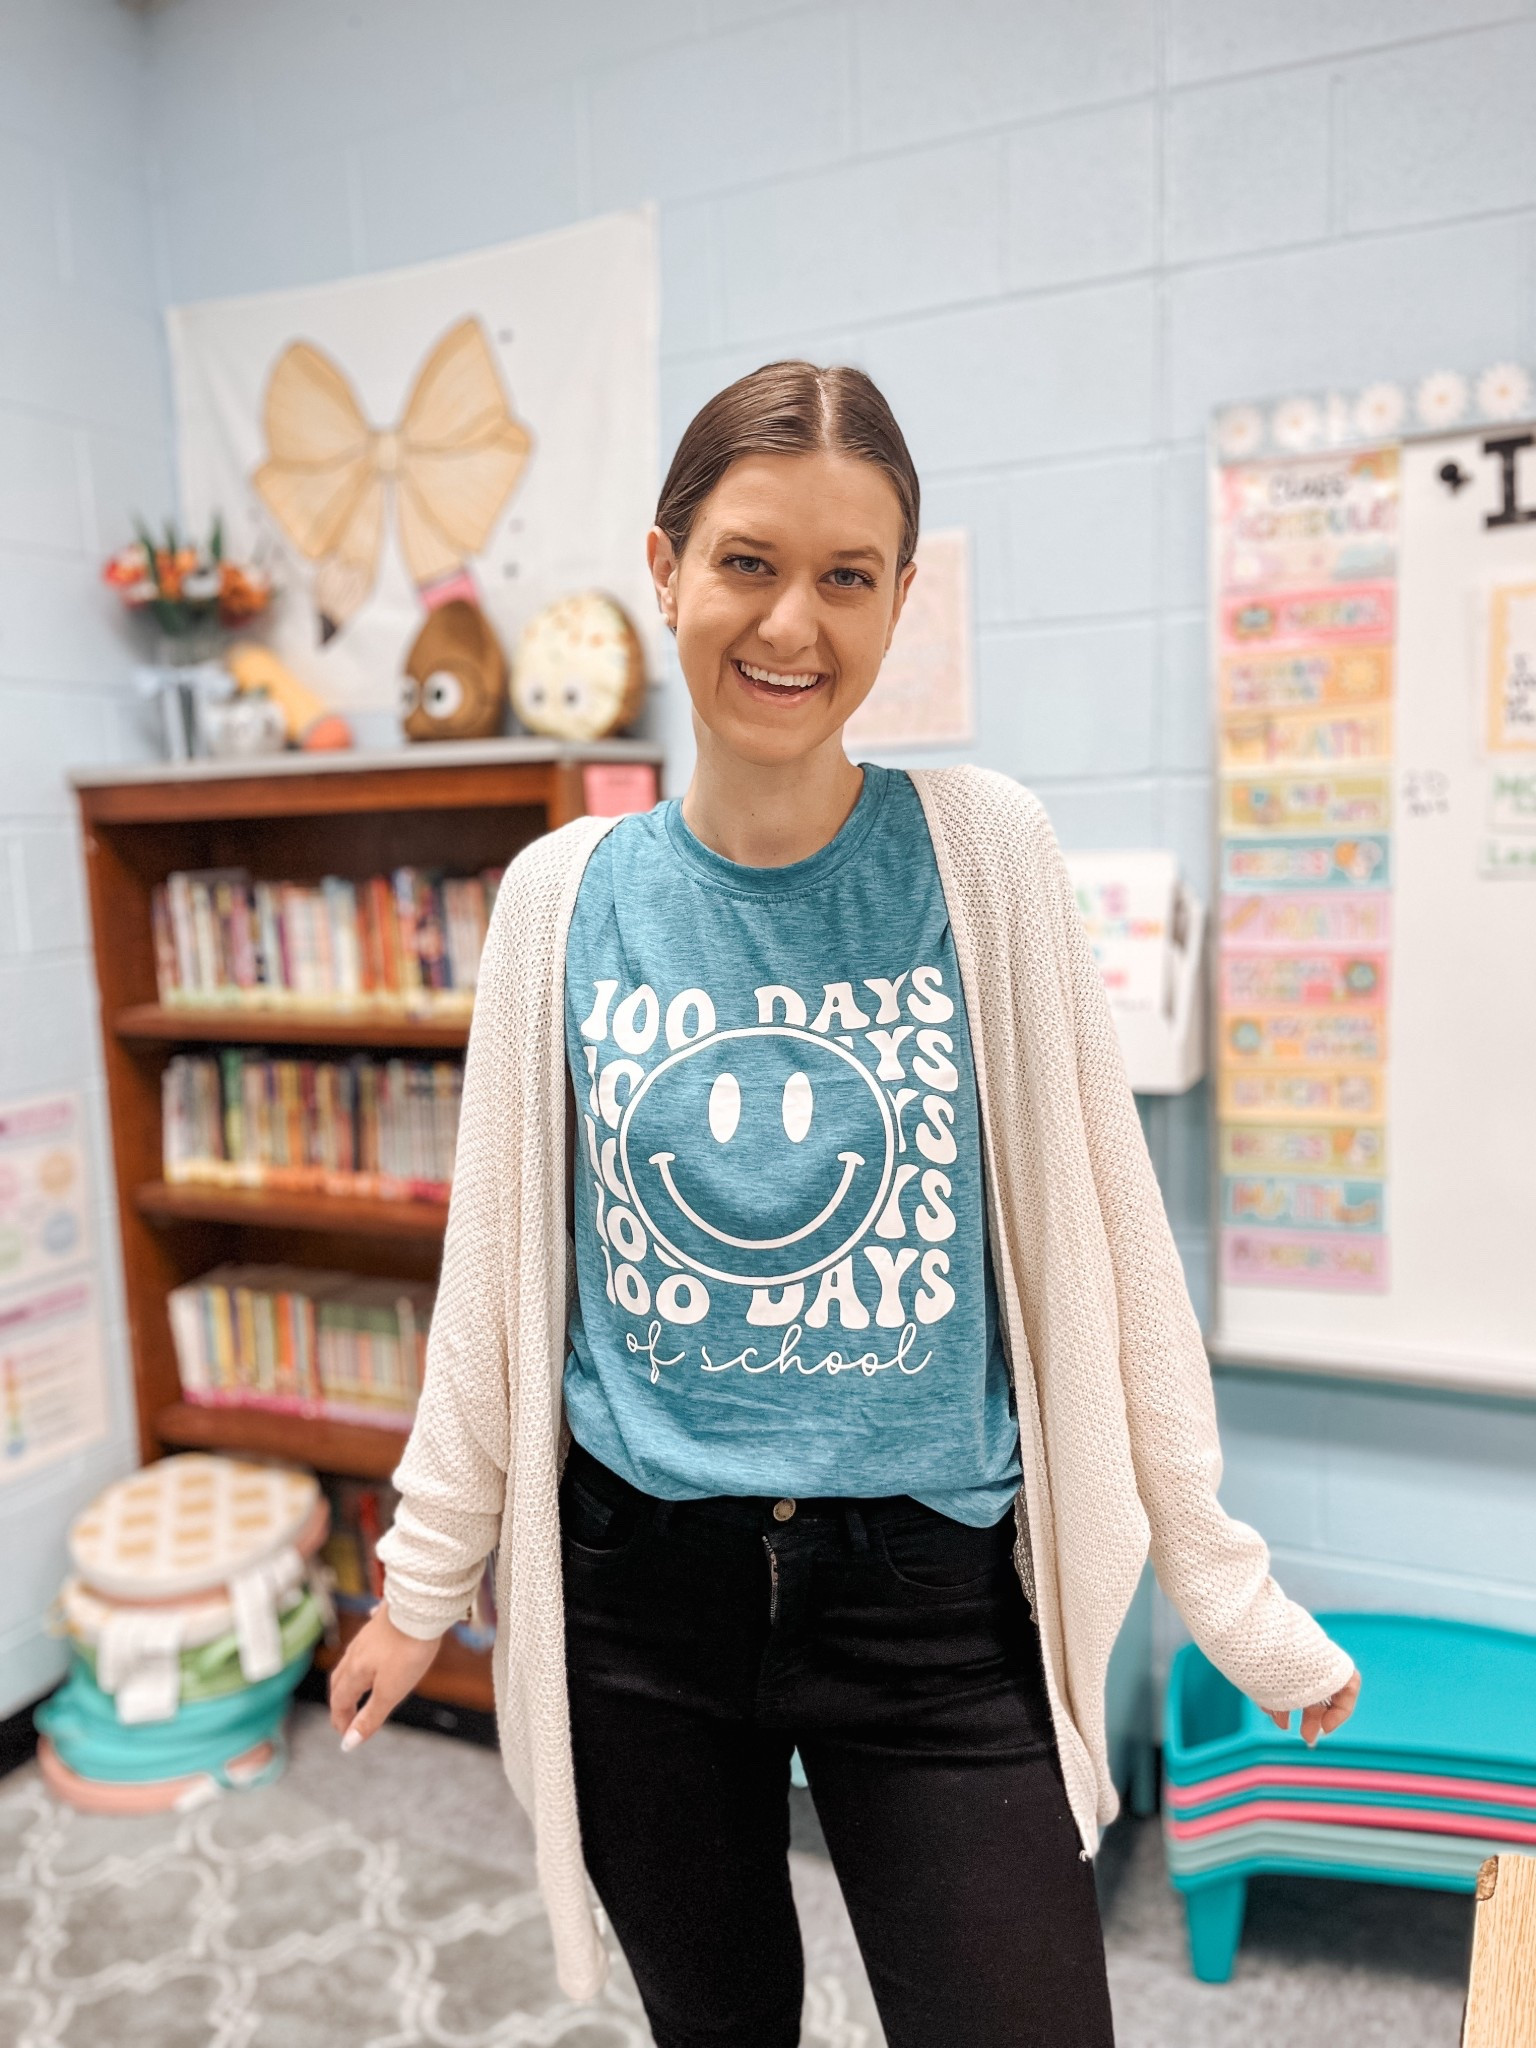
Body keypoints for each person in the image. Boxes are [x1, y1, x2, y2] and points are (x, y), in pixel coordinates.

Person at [329, 361, 1361, 2047]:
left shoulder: (984, 855)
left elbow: (1114, 1249)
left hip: (929, 1600)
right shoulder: (561, 902)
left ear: (896, 597)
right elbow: (497, 1291)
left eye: (847, 574)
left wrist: (1226, 1585)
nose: (791, 622)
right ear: (664, 569)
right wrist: (417, 1587)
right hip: (639, 1594)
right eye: (747, 561)